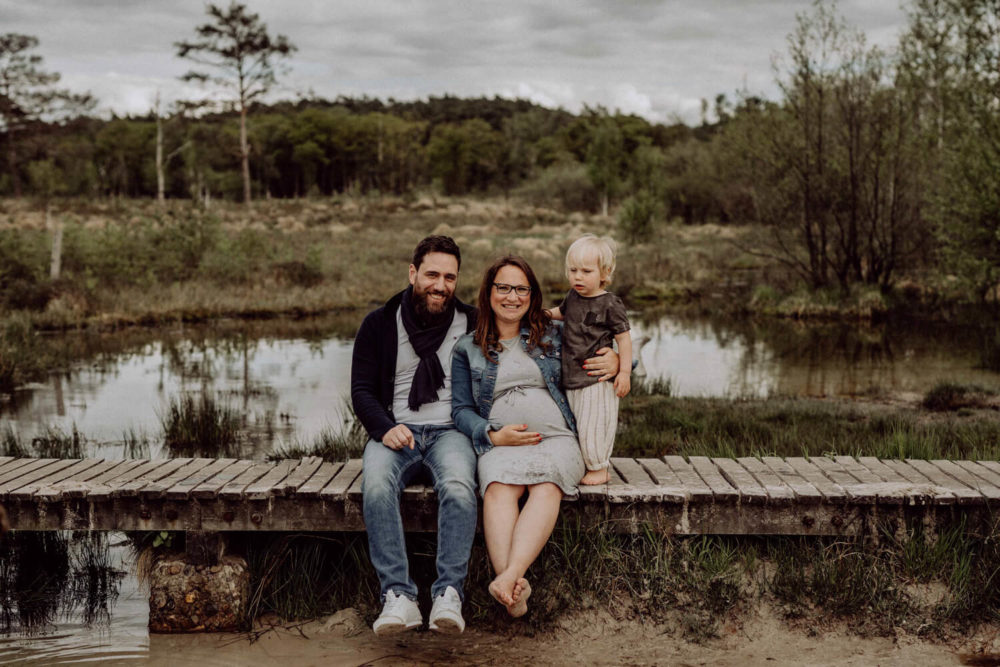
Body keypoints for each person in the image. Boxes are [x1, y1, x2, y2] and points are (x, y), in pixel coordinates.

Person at [451, 255, 620, 618]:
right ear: (489, 293)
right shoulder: (467, 348)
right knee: (498, 488)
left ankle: (509, 577)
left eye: (521, 289)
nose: (512, 297)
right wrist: (492, 435)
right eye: (503, 288)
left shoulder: (554, 334)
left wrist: (618, 360)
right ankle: (515, 593)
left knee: (546, 485)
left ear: (532, 295)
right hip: (501, 443)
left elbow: (608, 342)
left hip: (557, 440)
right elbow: (461, 410)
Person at [351, 235, 478, 636]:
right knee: (375, 487)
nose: (440, 285)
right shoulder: (378, 323)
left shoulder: (474, 322)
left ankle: (448, 594)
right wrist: (385, 428)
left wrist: (617, 356)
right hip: (396, 433)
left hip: (450, 432)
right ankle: (399, 596)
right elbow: (362, 390)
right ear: (413, 273)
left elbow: (530, 331)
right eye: (432, 275)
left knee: (459, 487)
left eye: (450, 277)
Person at [547, 234, 632, 485]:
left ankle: (599, 468)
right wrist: (543, 315)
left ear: (604, 273)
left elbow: (624, 339)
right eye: (573, 270)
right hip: (572, 377)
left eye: (586, 271)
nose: (578, 277)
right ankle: (586, 464)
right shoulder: (573, 297)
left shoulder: (610, 303)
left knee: (594, 425)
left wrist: (624, 372)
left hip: (596, 379)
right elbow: (561, 313)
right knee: (579, 425)